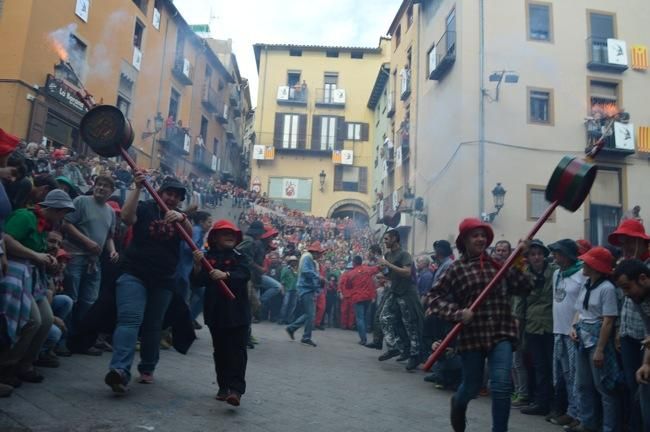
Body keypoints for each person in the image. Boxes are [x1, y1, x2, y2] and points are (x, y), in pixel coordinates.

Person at [427, 218, 532, 432]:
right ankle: (458, 402)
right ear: (464, 240)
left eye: (483, 235)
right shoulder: (455, 269)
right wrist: (457, 313)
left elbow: (525, 287)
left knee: (501, 386)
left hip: (500, 331)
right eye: (475, 235)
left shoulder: (498, 265)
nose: (480, 239)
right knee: (471, 387)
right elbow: (432, 298)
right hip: (472, 335)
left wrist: (520, 258)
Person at [104, 175, 192, 394]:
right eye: (168, 193)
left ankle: (147, 367)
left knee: (153, 325)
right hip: (134, 273)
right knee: (130, 319)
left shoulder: (179, 216)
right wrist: (137, 187)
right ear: (160, 193)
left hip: (164, 279)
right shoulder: (145, 207)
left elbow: (190, 237)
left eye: (176, 196)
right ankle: (120, 370)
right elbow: (126, 217)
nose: (171, 198)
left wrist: (182, 218)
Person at [0, 189, 75, 386]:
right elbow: (6, 240)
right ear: (53, 208)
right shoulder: (25, 216)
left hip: (33, 280)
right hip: (14, 277)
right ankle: (7, 366)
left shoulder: (46, 228)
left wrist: (49, 260)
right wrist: (35, 256)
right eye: (62, 212)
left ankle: (26, 364)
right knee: (32, 320)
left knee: (47, 319)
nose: (62, 216)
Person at [191, 220, 250, 407]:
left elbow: (244, 274)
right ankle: (223, 386)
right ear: (215, 237)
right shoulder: (206, 258)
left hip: (238, 313)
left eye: (232, 233)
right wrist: (198, 266)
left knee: (238, 352)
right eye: (224, 233)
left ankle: (236, 390)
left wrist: (226, 275)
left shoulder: (240, 256)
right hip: (216, 313)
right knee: (221, 351)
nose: (229, 236)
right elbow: (198, 282)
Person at [61, 175, 118, 354]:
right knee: (72, 298)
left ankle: (82, 341)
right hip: (75, 256)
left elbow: (109, 236)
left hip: (94, 262)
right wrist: (86, 242)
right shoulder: (81, 201)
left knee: (90, 302)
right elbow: (67, 224)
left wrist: (112, 250)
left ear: (111, 191)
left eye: (105, 186)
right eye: (99, 185)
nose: (101, 188)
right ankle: (64, 340)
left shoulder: (110, 211)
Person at [569, 247, 620, 432]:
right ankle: (587, 422)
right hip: (582, 338)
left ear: (596, 267)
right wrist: (573, 327)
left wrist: (600, 349)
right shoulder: (587, 283)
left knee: (603, 387)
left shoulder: (607, 288)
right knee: (583, 384)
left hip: (597, 341)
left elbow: (608, 320)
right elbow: (579, 310)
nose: (583, 264)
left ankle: (609, 427)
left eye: (587, 262)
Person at [608, 219, 650, 432]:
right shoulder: (624, 268)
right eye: (622, 243)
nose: (625, 248)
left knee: (643, 387)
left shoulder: (645, 271)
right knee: (634, 386)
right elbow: (622, 301)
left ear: (642, 242)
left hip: (645, 338)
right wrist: (618, 330)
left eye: (629, 242)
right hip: (628, 335)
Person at [547, 239, 585, 428]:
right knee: (564, 375)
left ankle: (580, 415)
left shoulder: (581, 273)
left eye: (557, 252)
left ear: (568, 254)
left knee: (576, 377)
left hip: (573, 332)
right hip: (558, 330)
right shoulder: (556, 274)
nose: (554, 255)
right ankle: (571, 411)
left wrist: (575, 325)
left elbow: (582, 304)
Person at [518, 240, 556, 416]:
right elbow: (520, 303)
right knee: (539, 366)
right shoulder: (524, 276)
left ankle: (556, 405)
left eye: (539, 253)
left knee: (554, 367)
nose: (536, 257)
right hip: (533, 326)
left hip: (552, 325)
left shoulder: (554, 272)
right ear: (528, 258)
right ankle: (541, 403)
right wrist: (519, 328)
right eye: (532, 254)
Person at [378, 229, 424, 371]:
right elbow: (390, 275)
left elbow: (407, 272)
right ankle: (394, 347)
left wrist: (389, 265)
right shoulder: (387, 255)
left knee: (410, 324)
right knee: (384, 318)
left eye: (386, 239)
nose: (385, 242)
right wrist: (383, 271)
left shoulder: (404, 254)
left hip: (407, 293)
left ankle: (415, 355)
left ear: (394, 239)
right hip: (395, 291)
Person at [285, 241, 325, 347]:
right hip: (305, 289)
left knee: (309, 314)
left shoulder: (308, 257)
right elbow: (306, 272)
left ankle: (292, 328)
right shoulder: (308, 257)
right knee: (310, 314)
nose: (320, 255)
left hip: (306, 289)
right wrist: (318, 276)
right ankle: (306, 337)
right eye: (319, 253)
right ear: (315, 252)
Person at [346, 255, 379, 345]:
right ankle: (366, 333)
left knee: (360, 318)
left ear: (354, 263)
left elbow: (348, 285)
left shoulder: (351, 273)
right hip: (368, 297)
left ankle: (363, 339)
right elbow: (378, 268)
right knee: (364, 317)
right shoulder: (368, 269)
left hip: (357, 298)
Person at [278, 256, 299, 324]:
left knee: (293, 305)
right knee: (285, 304)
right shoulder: (285, 269)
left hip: (295, 289)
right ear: (290, 262)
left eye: (295, 261)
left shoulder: (297, 270)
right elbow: (282, 280)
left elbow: (298, 279)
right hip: (287, 289)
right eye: (292, 261)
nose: (294, 262)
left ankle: (288, 319)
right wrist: (282, 289)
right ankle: (281, 319)